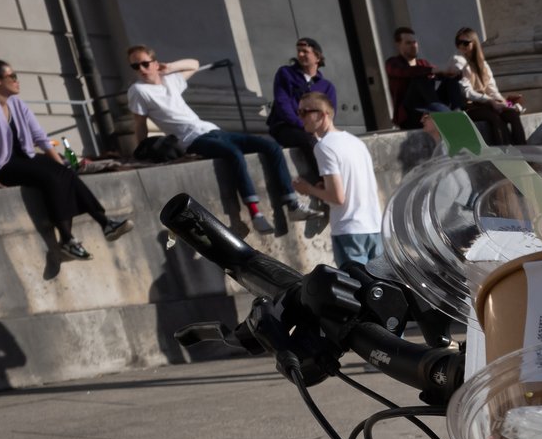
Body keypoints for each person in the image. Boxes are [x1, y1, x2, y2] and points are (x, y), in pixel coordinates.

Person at [125, 45, 302, 234]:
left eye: (145, 64)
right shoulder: (138, 90)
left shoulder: (170, 81)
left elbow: (193, 65)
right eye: (135, 67)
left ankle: (292, 204)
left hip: (212, 130)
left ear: (154, 63)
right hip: (191, 139)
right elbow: (140, 123)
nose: (141, 70)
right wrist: (141, 150)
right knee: (233, 154)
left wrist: (169, 67)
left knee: (271, 146)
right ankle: (255, 214)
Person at [0, 57, 128, 260]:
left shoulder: (15, 102)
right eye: (13, 76)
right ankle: (71, 238)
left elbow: (39, 136)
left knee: (62, 172)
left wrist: (62, 167)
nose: (17, 81)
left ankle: (104, 223)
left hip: (24, 157)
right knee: (51, 176)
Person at [287, 93, 382, 269]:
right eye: (298, 112)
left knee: (356, 290)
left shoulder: (324, 147)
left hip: (349, 229)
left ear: (323, 114)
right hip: (374, 226)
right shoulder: (356, 142)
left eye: (304, 112)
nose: (300, 117)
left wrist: (307, 189)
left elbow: (337, 197)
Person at [454, 28, 526, 145]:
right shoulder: (458, 62)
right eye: (458, 43)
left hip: (487, 105)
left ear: (474, 43)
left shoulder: (483, 65)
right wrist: (490, 100)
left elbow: (492, 89)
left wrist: (501, 101)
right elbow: (466, 92)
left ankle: (525, 156)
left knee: (512, 115)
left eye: (465, 43)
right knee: (494, 117)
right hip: (469, 107)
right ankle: (504, 156)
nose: (461, 46)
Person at [383, 27, 464, 130]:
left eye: (415, 42)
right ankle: (444, 113)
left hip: (429, 108)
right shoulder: (392, 63)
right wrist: (434, 70)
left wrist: (453, 72)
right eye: (408, 43)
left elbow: (436, 73)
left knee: (449, 80)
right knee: (419, 79)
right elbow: (407, 71)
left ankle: (458, 111)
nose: (413, 46)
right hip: (411, 115)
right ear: (398, 45)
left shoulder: (423, 63)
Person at [267, 37, 336, 155]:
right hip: (286, 127)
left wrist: (321, 129)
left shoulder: (327, 86)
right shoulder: (285, 73)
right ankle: (323, 174)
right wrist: (303, 125)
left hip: (315, 129)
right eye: (298, 51)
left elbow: (330, 112)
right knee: (310, 142)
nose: (300, 54)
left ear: (317, 57)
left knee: (335, 143)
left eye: (305, 51)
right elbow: (282, 103)